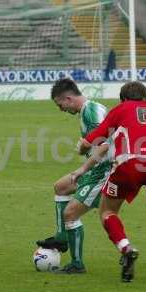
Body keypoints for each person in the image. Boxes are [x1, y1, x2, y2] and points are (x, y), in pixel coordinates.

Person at [77, 81, 146, 282]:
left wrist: (81, 149)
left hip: (128, 165)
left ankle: (126, 248)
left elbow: (92, 140)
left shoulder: (121, 109)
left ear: (124, 99)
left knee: (107, 211)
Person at [36, 78, 111, 274]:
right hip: (95, 169)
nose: (61, 110)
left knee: (70, 213)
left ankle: (77, 264)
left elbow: (104, 143)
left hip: (104, 171)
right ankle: (62, 238)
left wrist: (85, 153)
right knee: (61, 187)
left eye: (60, 105)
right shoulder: (89, 109)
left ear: (68, 98)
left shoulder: (91, 111)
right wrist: (86, 148)